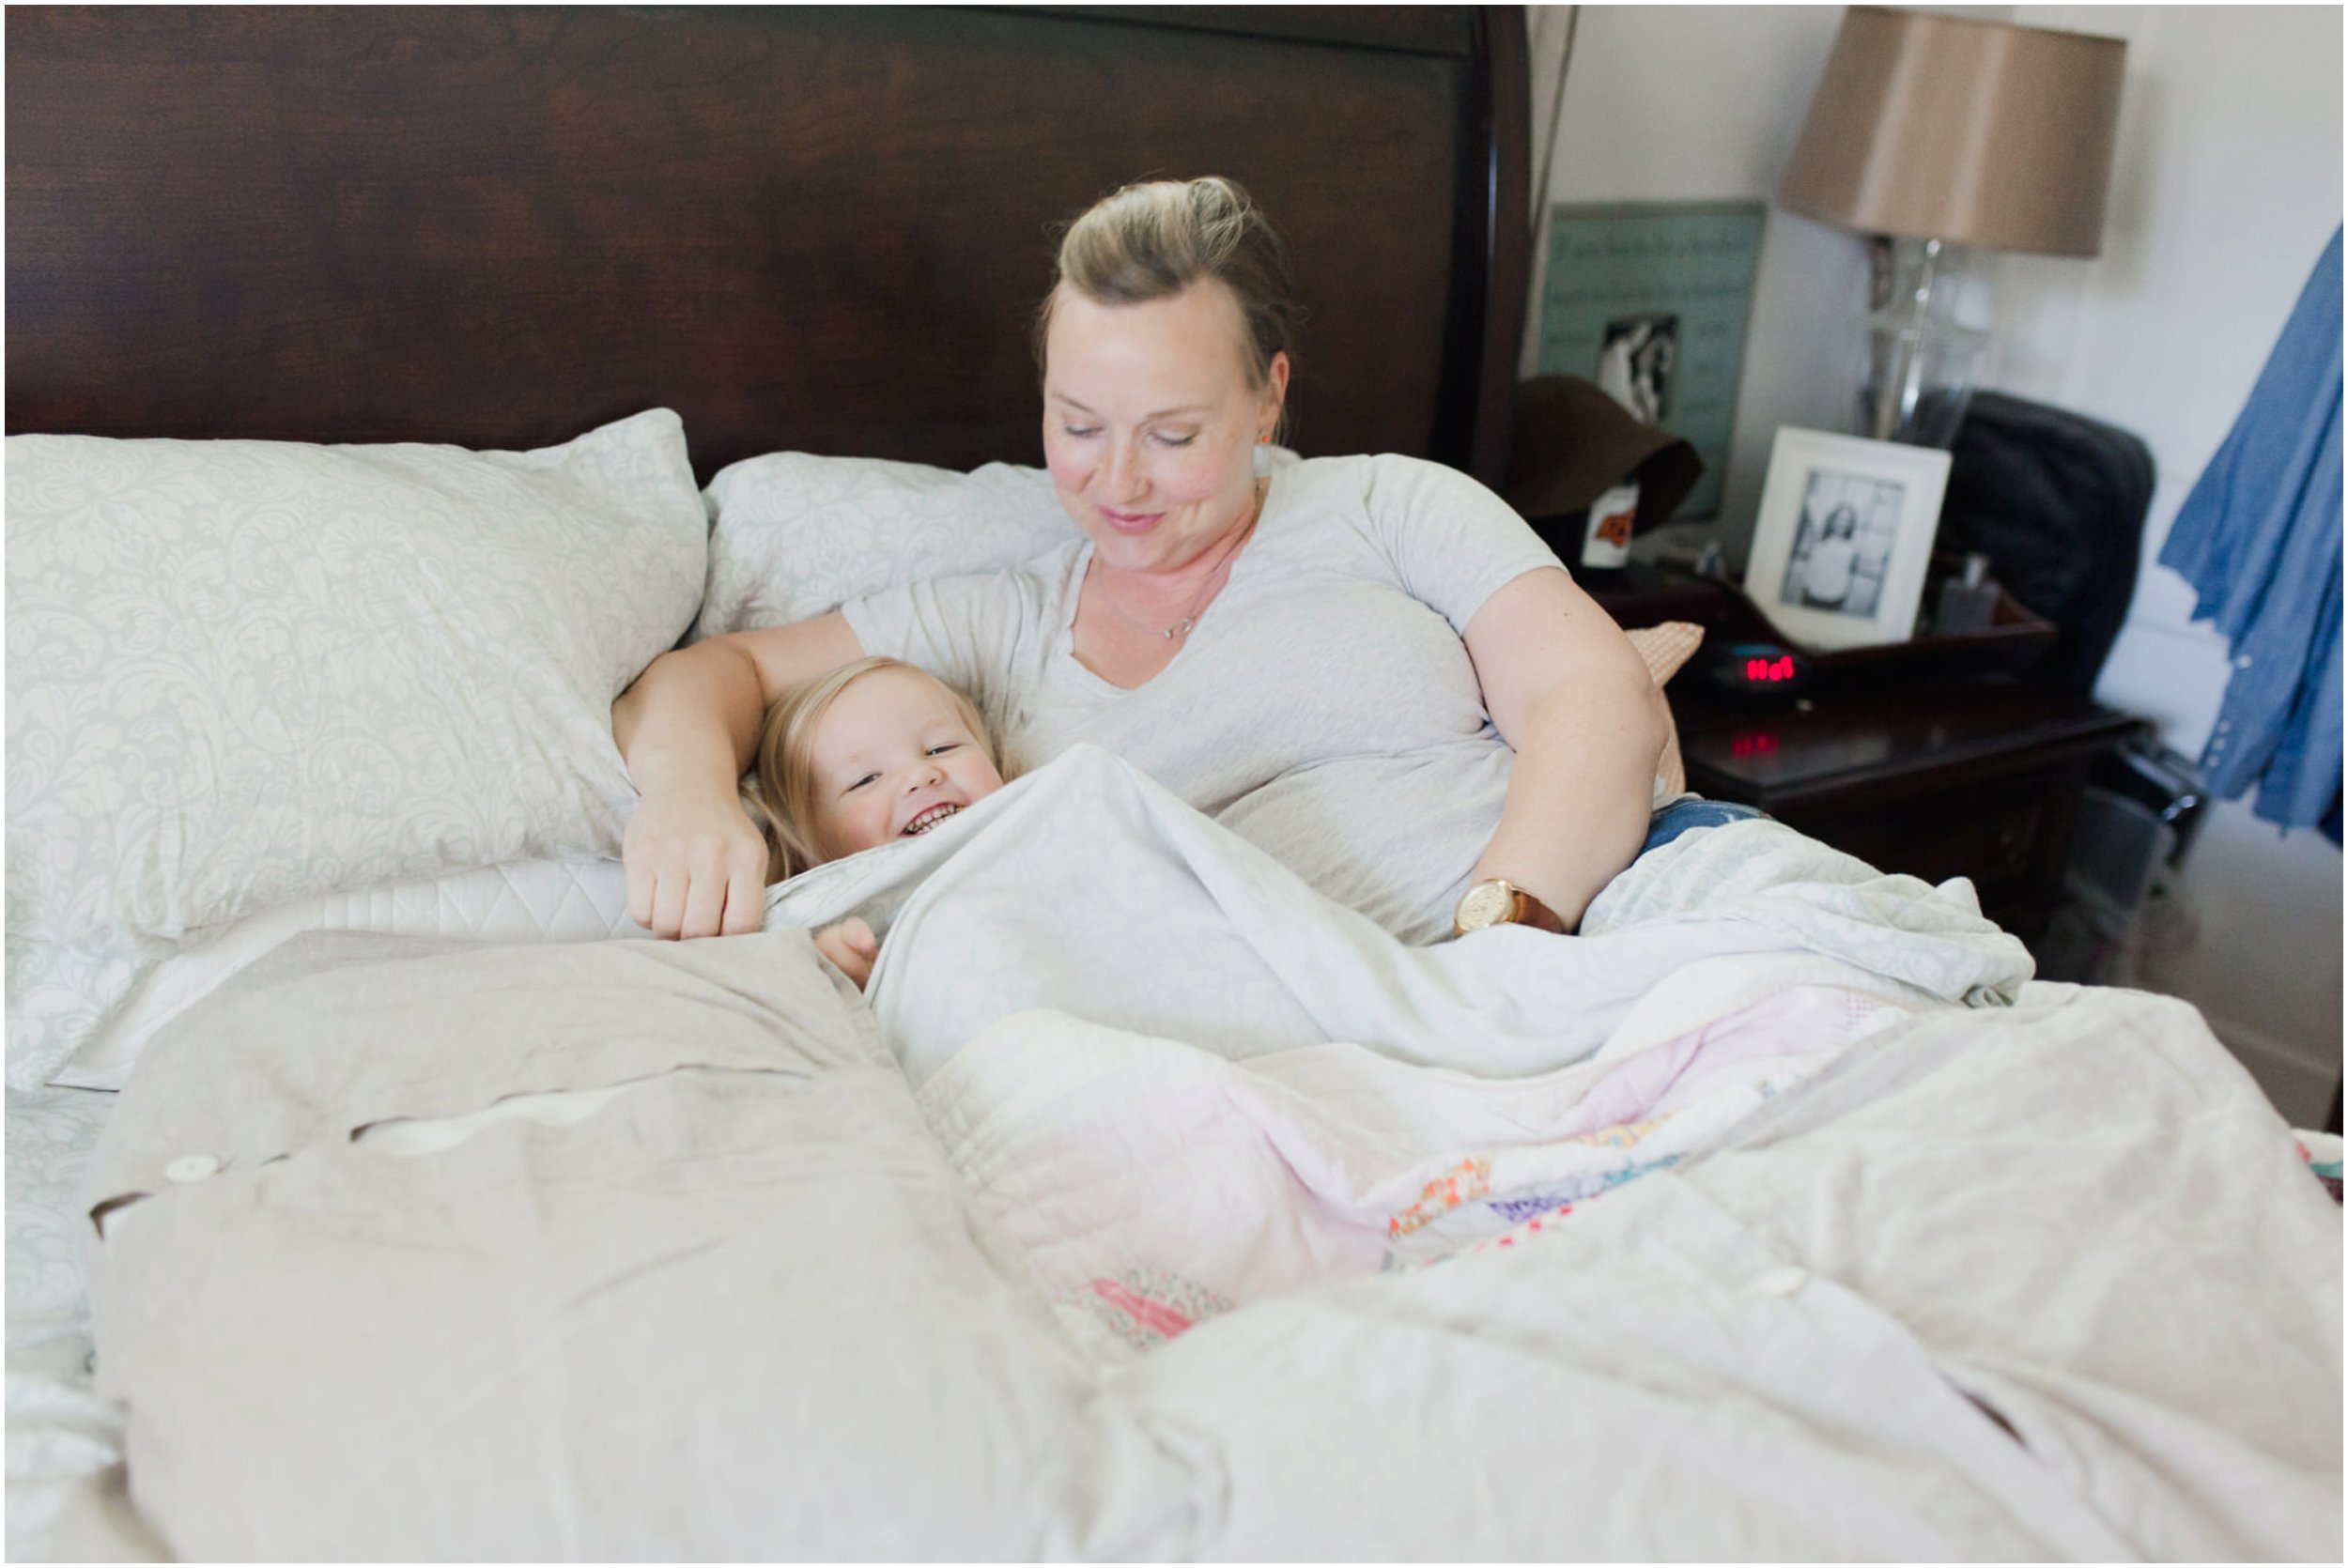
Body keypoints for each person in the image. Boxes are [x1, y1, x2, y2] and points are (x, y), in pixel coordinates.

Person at [613, 176, 1676, 949]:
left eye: (1171, 436)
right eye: (1079, 425)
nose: (1117, 482)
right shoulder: (999, 624)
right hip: (1276, 1022)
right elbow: (715, 674)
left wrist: (1504, 940)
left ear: (1267, 397)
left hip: (1563, 925)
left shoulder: (1388, 504)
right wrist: (689, 794)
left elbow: (1590, 692)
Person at [741, 655, 1012, 988]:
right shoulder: (832, 925)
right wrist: (844, 976)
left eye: (940, 748)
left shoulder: (1047, 818)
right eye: (866, 779)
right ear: (806, 852)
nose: (920, 774)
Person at [1800, 503, 1860, 609]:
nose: (1842, 523)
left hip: (1834, 598)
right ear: (1833, 519)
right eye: (1840, 519)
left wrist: (1843, 594)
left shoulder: (1852, 548)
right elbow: (1812, 503)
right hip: (1811, 594)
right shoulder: (1819, 540)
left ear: (1850, 524)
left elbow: (1848, 574)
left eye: (1847, 521)